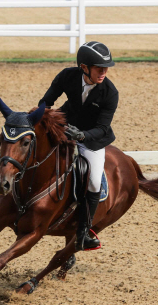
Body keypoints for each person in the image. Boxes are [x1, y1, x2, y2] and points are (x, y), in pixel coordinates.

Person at [39, 41, 118, 251]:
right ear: (84, 67)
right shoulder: (67, 76)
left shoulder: (110, 92)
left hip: (92, 139)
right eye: (99, 68)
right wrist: (36, 118)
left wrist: (82, 135)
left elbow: (102, 127)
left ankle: (83, 232)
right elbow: (47, 101)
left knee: (93, 182)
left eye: (106, 68)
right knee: (28, 146)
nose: (103, 72)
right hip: (65, 124)